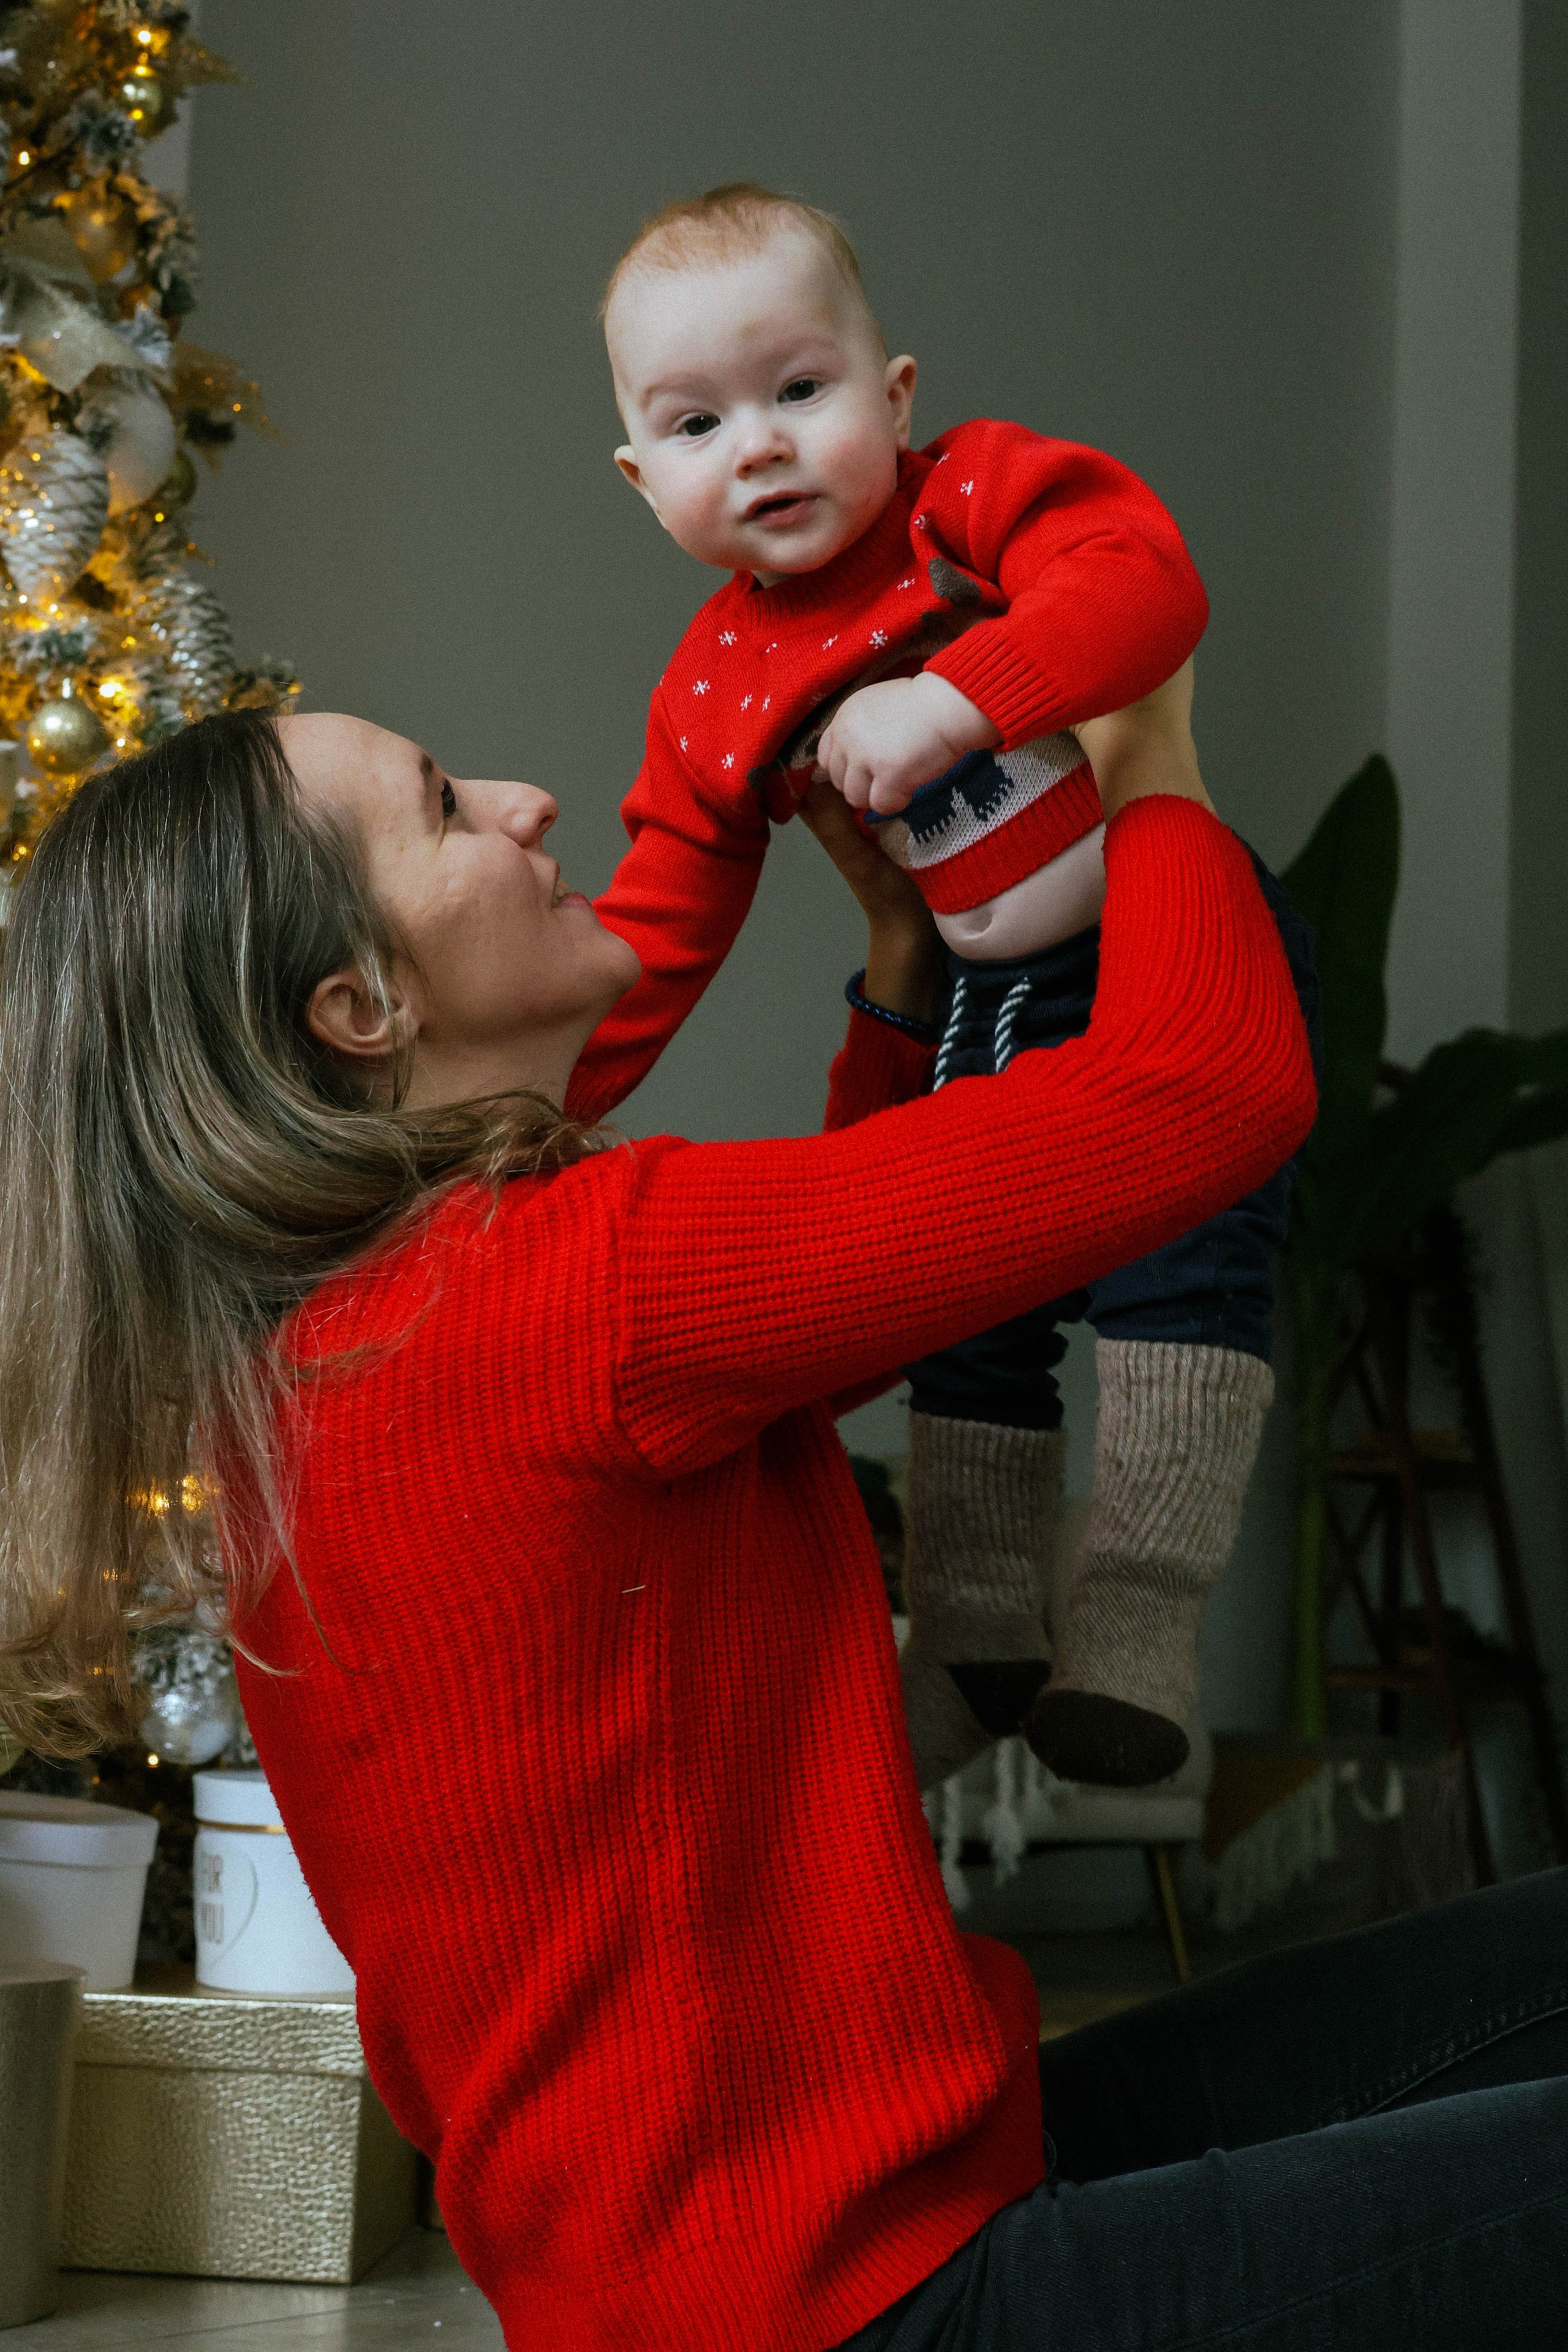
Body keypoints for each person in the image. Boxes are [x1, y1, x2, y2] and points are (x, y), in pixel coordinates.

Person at [0, 699, 1560, 2352]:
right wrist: (1148, 749)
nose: (530, 801)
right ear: (360, 1006)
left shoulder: (376, 1335)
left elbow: (855, 1288)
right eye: (448, 807)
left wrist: (901, 951)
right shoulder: (562, 1292)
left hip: (801, 2257)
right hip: (849, 2314)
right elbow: (1211, 1091)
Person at [602, 179, 1315, 1792]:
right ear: (646, 483)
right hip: (990, 997)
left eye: (803, 390)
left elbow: (1145, 582)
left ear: (895, 396)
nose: (764, 444)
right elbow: (654, 935)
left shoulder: (969, 497)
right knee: (965, 1294)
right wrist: (518, 1111)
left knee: (1183, 1265)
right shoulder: (716, 681)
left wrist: (958, 697)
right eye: (700, 423)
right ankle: (977, 1630)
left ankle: (1134, 1624)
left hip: (1161, 944)